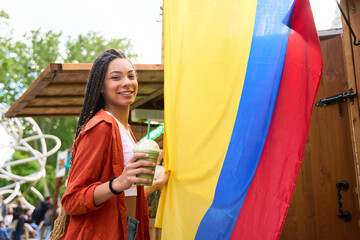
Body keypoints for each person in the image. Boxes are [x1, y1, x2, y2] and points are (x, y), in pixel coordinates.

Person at [51, 49, 168, 240]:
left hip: (129, 228)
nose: (127, 83)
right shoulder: (101, 126)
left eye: (131, 76)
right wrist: (118, 182)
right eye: (116, 77)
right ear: (101, 87)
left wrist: (157, 183)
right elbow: (72, 200)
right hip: (105, 232)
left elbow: (125, 193)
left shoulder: (125, 129)